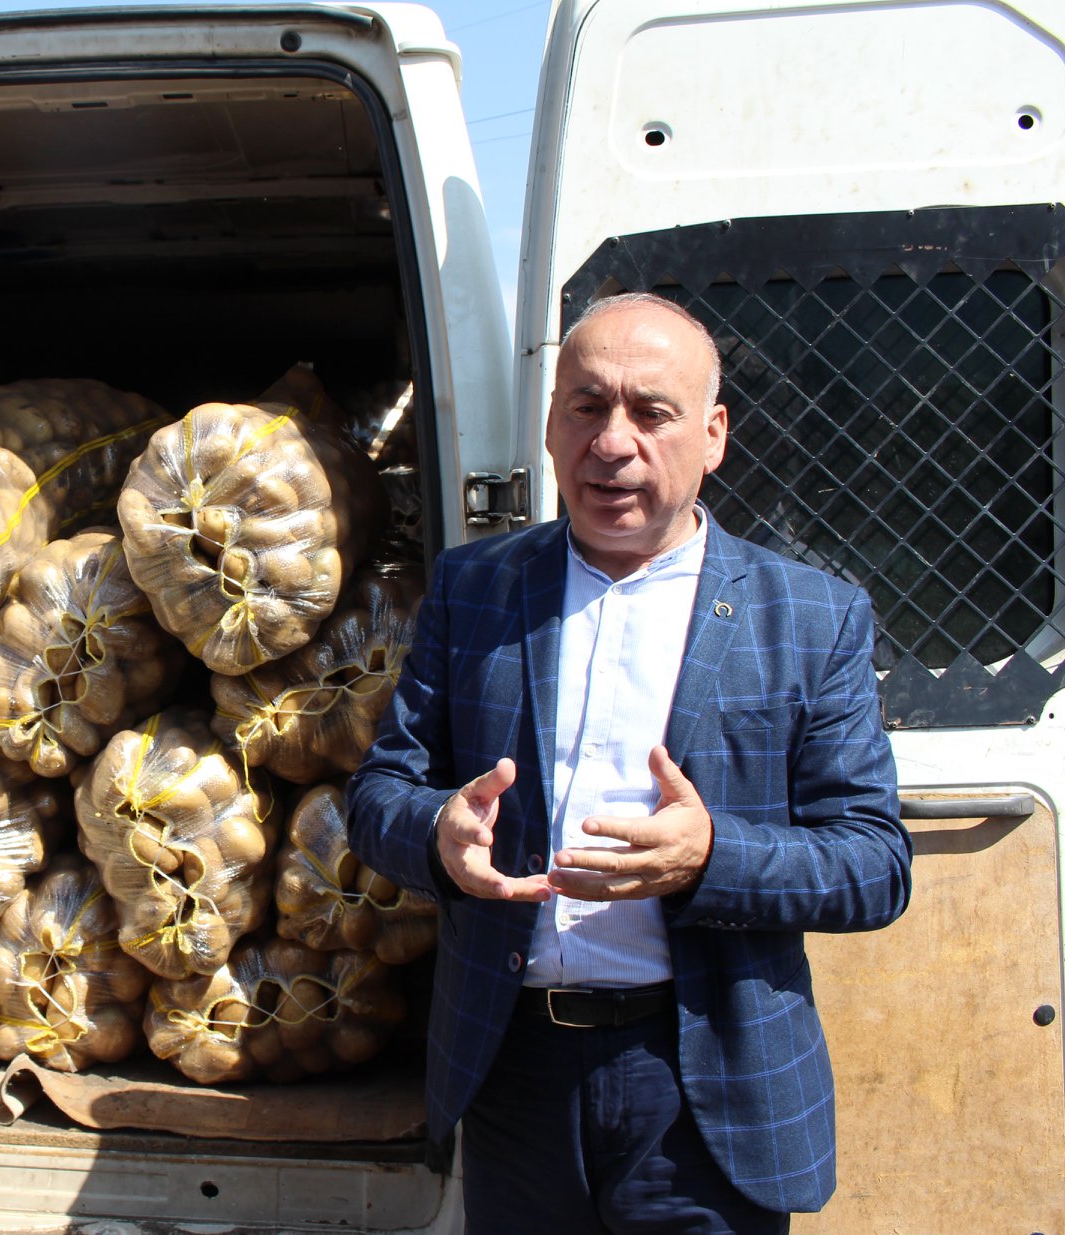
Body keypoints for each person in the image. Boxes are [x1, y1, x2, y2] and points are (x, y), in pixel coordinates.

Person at [347, 293, 912, 1233]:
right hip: (513, 1077)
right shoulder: (475, 588)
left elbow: (873, 864)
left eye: (651, 412)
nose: (612, 443)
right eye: (586, 407)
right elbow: (377, 796)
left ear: (712, 434)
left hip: (703, 1087)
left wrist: (709, 856)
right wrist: (436, 833)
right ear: (550, 424)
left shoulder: (810, 616)